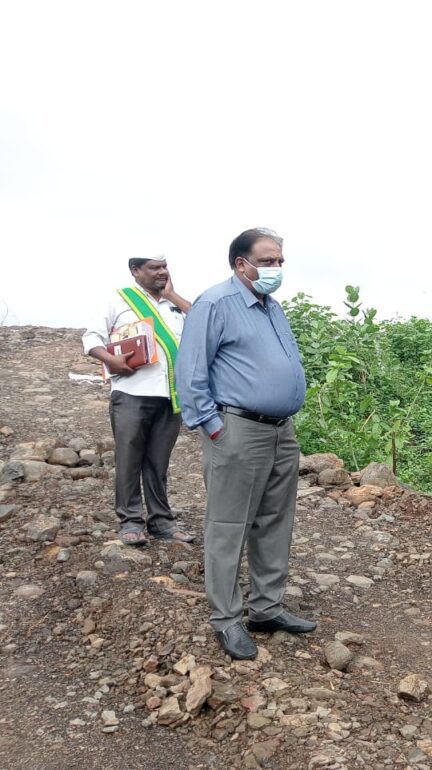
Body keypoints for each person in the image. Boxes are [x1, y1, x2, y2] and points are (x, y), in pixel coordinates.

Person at [175, 227, 315, 661]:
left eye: (280, 261)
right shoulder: (216, 303)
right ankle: (227, 620)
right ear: (242, 264)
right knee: (229, 525)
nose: (276, 269)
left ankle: (266, 608)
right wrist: (212, 427)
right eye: (269, 261)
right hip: (238, 431)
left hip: (279, 431)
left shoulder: (271, 307)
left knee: (275, 520)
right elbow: (191, 369)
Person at [82, 257, 194, 547]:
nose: (162, 272)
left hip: (170, 395)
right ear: (135, 271)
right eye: (154, 267)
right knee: (129, 460)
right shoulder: (119, 300)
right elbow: (92, 338)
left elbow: (203, 322)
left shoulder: (174, 305)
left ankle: (161, 521)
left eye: (165, 266)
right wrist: (110, 361)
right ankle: (130, 521)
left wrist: (171, 295)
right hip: (132, 393)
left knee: (158, 463)